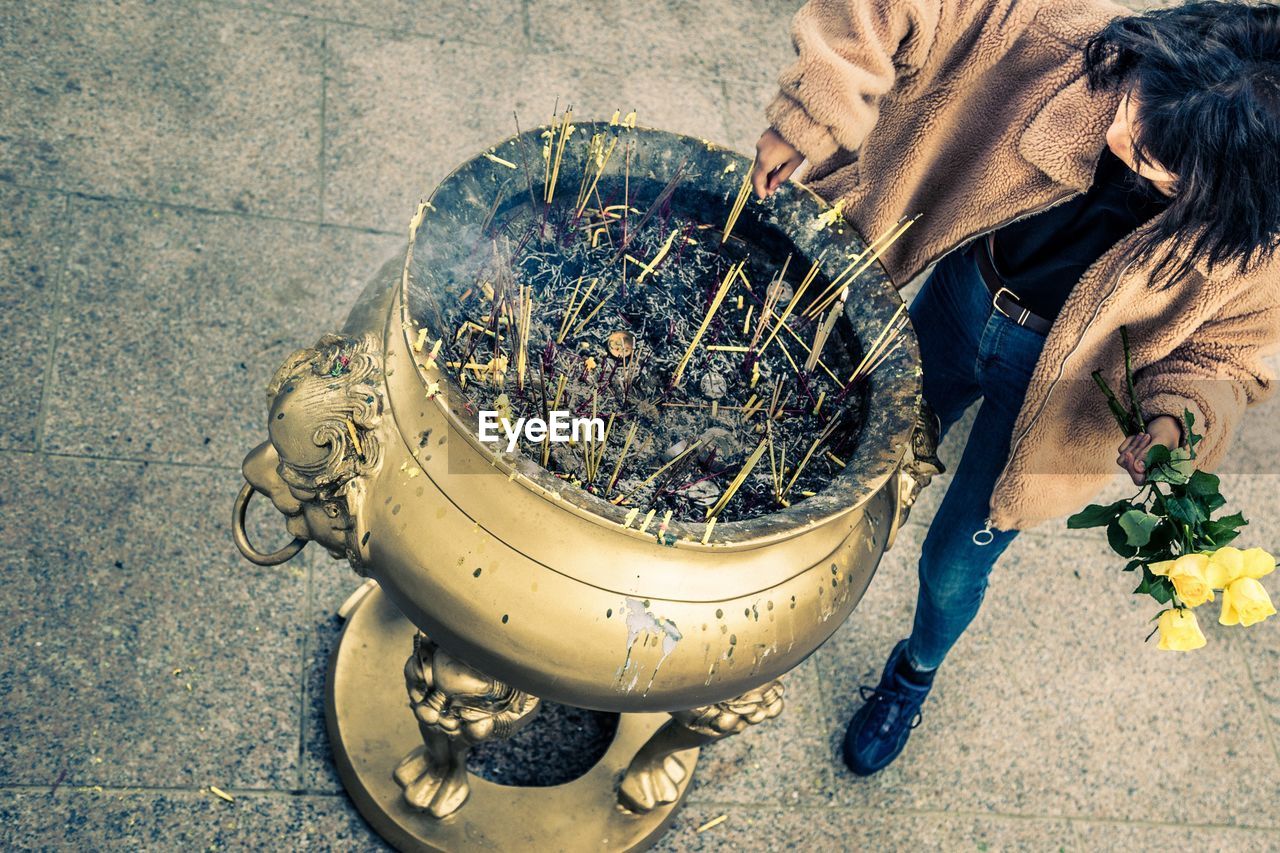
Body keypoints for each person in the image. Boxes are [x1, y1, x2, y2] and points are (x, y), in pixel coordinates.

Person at [750, 0, 1280, 776]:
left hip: (1064, 399)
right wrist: (812, 112)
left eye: (1159, 163)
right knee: (848, 456)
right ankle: (791, 595)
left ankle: (912, 675)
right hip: (960, 301)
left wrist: (1178, 423)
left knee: (955, 564)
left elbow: (1232, 359)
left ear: (1224, 190)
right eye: (1142, 106)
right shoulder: (1074, 40)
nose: (1119, 137)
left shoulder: (1254, 247)